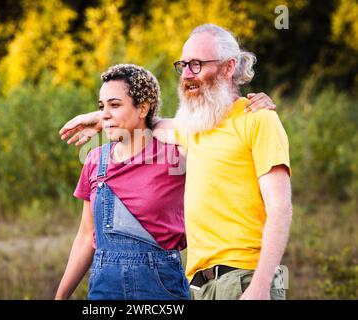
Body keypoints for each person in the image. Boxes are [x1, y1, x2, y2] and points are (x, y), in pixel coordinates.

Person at [59, 24, 291, 300]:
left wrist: (261, 286)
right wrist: (104, 118)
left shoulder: (258, 119)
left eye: (197, 65)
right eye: (183, 66)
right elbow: (148, 124)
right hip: (201, 285)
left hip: (244, 278)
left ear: (229, 68)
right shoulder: (194, 129)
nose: (187, 75)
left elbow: (280, 207)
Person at [55, 64, 190, 300]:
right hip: (104, 288)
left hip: (161, 288)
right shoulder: (95, 160)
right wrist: (60, 296)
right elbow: (87, 237)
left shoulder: (176, 155)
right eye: (101, 107)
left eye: (114, 105)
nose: (105, 113)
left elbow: (204, 130)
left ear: (143, 108)